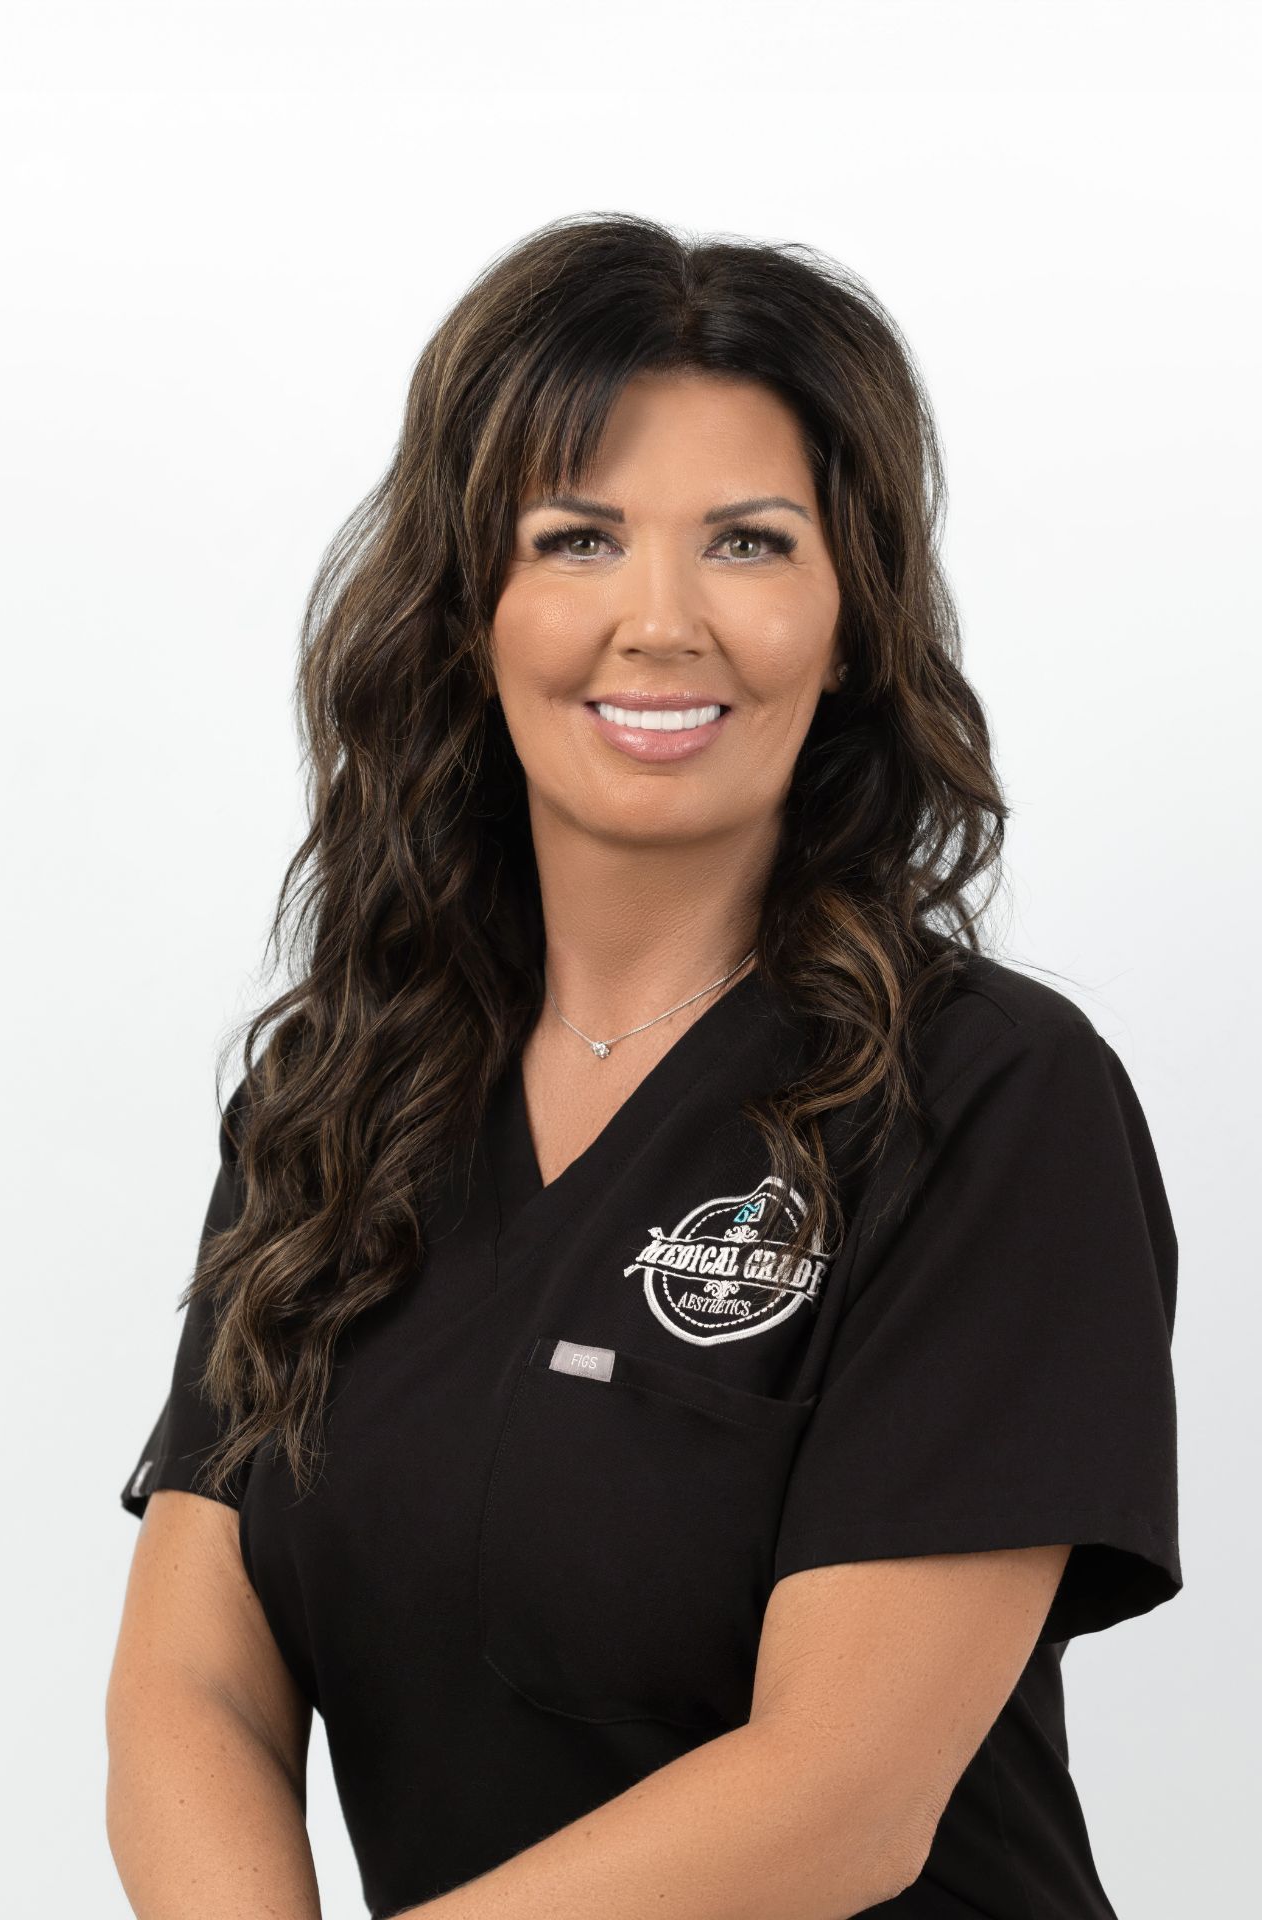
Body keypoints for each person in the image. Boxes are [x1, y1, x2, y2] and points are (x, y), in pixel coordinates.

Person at [106, 212, 1181, 1920]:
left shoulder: (988, 1101)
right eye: (579, 538)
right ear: (470, 607)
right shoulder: (339, 1096)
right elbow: (195, 1689)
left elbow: (839, 1802)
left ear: (851, 617)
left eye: (749, 542)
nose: (661, 620)